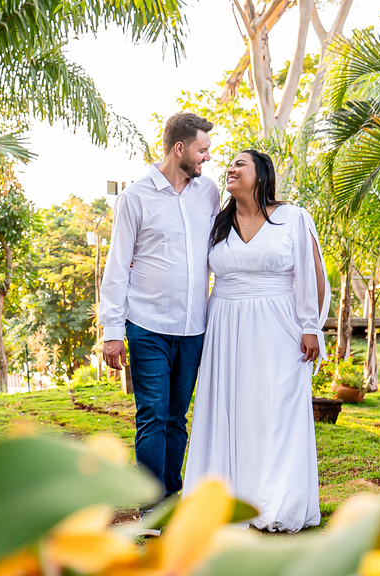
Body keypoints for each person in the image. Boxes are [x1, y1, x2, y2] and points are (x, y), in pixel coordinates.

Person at [183, 150, 329, 531]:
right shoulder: (217, 222)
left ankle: (277, 501)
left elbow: (313, 274)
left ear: (261, 175)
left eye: (239, 164)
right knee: (229, 408)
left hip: (279, 325)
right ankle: (226, 501)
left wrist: (310, 326)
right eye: (229, 164)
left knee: (275, 409)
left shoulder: (293, 217)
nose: (230, 169)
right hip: (225, 324)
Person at [99, 113, 218, 498]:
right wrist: (112, 333)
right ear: (179, 148)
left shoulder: (209, 193)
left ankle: (172, 495)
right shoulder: (135, 197)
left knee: (177, 419)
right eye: (202, 150)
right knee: (152, 416)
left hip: (194, 328)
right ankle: (150, 505)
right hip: (147, 325)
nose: (207, 158)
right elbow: (117, 268)